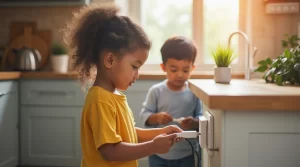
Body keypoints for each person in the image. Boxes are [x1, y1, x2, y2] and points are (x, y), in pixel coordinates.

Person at [63, 4, 183, 167]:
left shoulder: (113, 96)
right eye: (135, 66)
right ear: (110, 60)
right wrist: (153, 147)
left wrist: (161, 132)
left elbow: (128, 135)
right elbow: (111, 151)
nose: (137, 74)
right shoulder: (101, 100)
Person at [140, 36, 202, 167]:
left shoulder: (194, 93)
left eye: (185, 70)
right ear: (163, 67)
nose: (180, 74)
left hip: (187, 154)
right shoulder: (156, 91)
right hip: (158, 154)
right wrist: (156, 118)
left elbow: (201, 119)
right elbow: (145, 115)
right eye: (174, 70)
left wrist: (193, 122)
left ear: (193, 68)